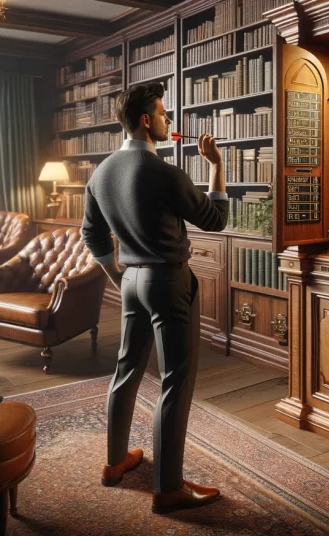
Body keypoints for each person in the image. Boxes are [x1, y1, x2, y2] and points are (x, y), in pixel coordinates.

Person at [81, 81, 228, 514]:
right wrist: (217, 166)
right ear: (146, 121)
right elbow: (216, 219)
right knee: (175, 382)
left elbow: (90, 234)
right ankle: (168, 489)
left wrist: (117, 274)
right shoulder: (166, 174)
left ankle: (115, 463)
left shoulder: (101, 172)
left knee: (126, 370)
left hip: (130, 281)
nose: (168, 121)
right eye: (164, 114)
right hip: (167, 282)